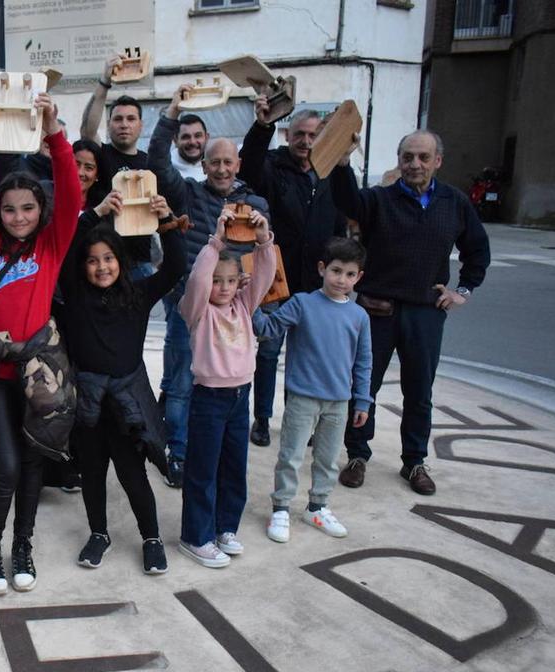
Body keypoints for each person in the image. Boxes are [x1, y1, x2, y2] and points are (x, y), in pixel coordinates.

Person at [330, 129, 490, 495]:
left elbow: (477, 250)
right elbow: (347, 201)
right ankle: (357, 455)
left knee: (419, 391)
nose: (414, 164)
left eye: (422, 157)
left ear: (437, 161)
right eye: (407, 157)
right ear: (399, 160)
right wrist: (342, 162)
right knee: (362, 386)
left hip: (426, 312)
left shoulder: (455, 202)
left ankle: (414, 461)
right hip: (377, 310)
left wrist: (462, 290)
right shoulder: (379, 200)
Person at [0, 90, 79, 596]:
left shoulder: (52, 244)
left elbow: (73, 193)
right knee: (6, 466)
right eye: (9, 209)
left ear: (40, 210)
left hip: (38, 374)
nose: (17, 217)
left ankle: (23, 546)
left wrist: (54, 132)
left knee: (34, 463)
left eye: (27, 208)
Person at [56, 206, 186, 575]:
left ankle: (152, 538)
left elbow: (175, 267)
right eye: (93, 260)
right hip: (89, 405)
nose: (101, 267)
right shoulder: (76, 296)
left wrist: (166, 222)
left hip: (128, 406)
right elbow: (65, 248)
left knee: (133, 475)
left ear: (121, 261)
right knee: (93, 474)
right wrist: (92, 214)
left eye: (109, 258)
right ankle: (99, 533)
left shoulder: (139, 294)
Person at [148, 93, 269, 488]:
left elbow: (267, 259)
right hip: (195, 308)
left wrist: (261, 228)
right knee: (183, 380)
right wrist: (171, 115)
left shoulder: (254, 204)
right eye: (214, 162)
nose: (220, 169)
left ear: (238, 165)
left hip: (235, 312)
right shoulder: (188, 193)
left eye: (227, 162)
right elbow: (158, 163)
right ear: (204, 165)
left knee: (229, 386)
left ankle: (216, 454)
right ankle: (178, 454)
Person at [239, 104, 350, 449]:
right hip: (277, 278)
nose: (305, 141)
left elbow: (343, 220)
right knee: (269, 352)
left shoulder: (332, 171)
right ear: (287, 135)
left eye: (313, 135)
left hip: (316, 281)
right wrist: (262, 125)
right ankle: (261, 419)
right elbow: (251, 161)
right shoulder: (273, 166)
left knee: (308, 355)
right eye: (299, 134)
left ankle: (300, 421)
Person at [252, 237, 372, 543]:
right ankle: (281, 507)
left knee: (328, 459)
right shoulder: (302, 303)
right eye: (336, 270)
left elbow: (363, 361)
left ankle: (317, 506)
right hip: (303, 398)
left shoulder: (359, 316)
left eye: (349, 274)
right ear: (322, 269)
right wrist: (249, 302)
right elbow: (267, 330)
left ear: (359, 277)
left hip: (339, 402)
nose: (341, 279)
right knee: (290, 455)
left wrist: (362, 400)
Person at [177, 206, 275, 569]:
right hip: (209, 398)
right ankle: (196, 536)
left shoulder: (243, 307)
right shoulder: (198, 309)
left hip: (240, 397)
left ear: (239, 283)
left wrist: (263, 239)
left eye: (230, 281)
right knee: (203, 469)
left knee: (234, 465)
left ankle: (224, 528)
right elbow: (199, 281)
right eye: (217, 280)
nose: (222, 287)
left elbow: (264, 275)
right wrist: (216, 242)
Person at [79, 57, 152, 276]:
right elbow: (88, 130)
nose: (124, 124)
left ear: (141, 126)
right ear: (109, 125)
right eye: (117, 119)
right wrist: (104, 82)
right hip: (103, 262)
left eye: (131, 119)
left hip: (140, 262)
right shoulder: (101, 156)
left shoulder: (150, 164)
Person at [171, 113, 208, 181]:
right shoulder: (166, 167)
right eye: (186, 137)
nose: (192, 142)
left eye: (197, 136)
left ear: (207, 137)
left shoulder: (217, 166)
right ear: (175, 140)